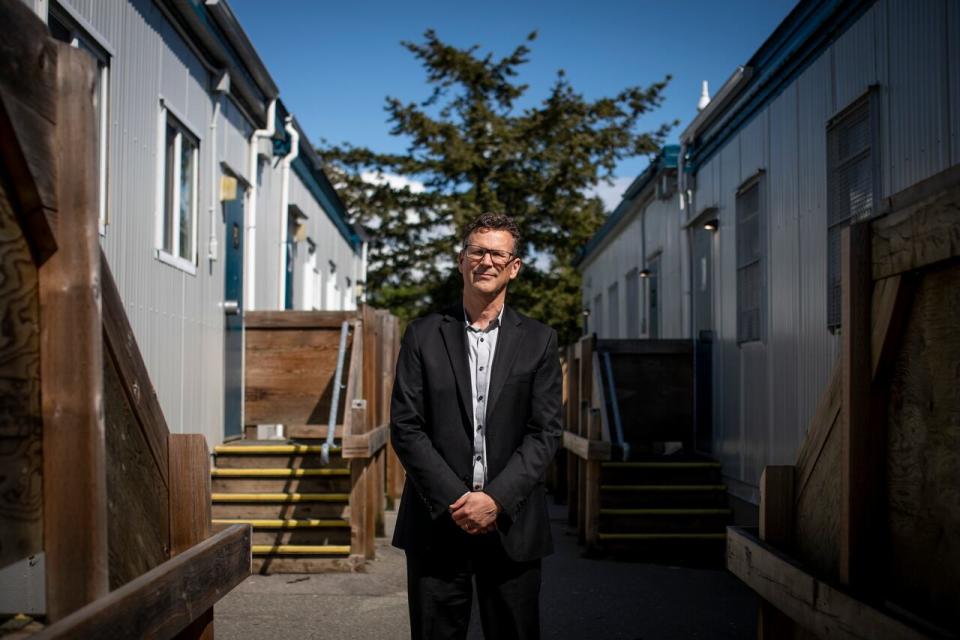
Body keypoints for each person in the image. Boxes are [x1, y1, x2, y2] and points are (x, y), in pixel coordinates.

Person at [390, 213, 562, 640]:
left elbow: (545, 432)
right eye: (476, 251)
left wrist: (496, 500)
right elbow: (406, 427)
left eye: (498, 253)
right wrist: (460, 499)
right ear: (461, 260)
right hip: (436, 524)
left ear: (514, 266)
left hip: (512, 525)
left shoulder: (540, 340)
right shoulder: (423, 334)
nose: (486, 261)